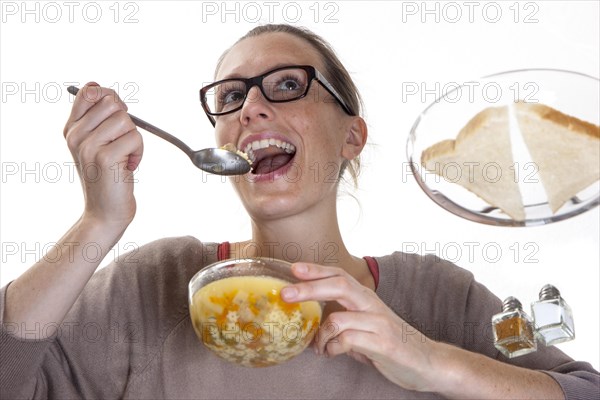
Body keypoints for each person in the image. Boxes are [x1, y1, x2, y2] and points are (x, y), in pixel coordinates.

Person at [1, 24, 598, 399]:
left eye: (287, 85)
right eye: (232, 97)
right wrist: (98, 221)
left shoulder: (438, 294)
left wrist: (430, 360)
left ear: (352, 136)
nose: (251, 107)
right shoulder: (154, 283)